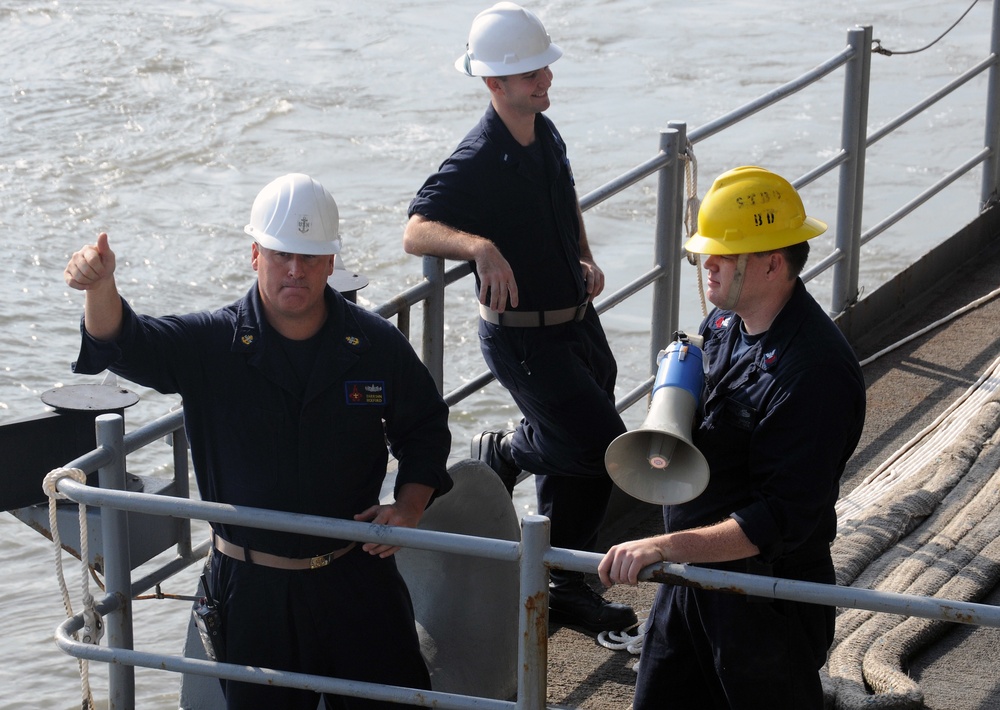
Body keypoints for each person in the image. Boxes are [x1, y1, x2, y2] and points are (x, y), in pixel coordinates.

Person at [64, 173, 453, 710]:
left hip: (357, 579)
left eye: (310, 257)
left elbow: (426, 429)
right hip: (251, 592)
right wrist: (100, 288)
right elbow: (127, 342)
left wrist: (409, 507)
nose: (296, 270)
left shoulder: (375, 345)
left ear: (331, 262)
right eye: (281, 254)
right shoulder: (212, 345)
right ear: (255, 255)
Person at [402, 2, 636, 634]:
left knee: (582, 460)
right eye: (529, 72)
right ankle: (508, 452)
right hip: (525, 340)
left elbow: (567, 198)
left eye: (544, 67)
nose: (544, 79)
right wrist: (478, 247)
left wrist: (584, 255)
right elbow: (416, 231)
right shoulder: (479, 155)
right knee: (598, 446)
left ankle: (567, 586)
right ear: (493, 83)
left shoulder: (546, 132)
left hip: (577, 324)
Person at [598, 166, 866, 708]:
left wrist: (662, 546)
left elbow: (777, 519)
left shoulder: (814, 374)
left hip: (764, 601)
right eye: (705, 251)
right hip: (692, 580)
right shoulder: (727, 325)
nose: (706, 264)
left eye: (723, 253)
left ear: (772, 263)